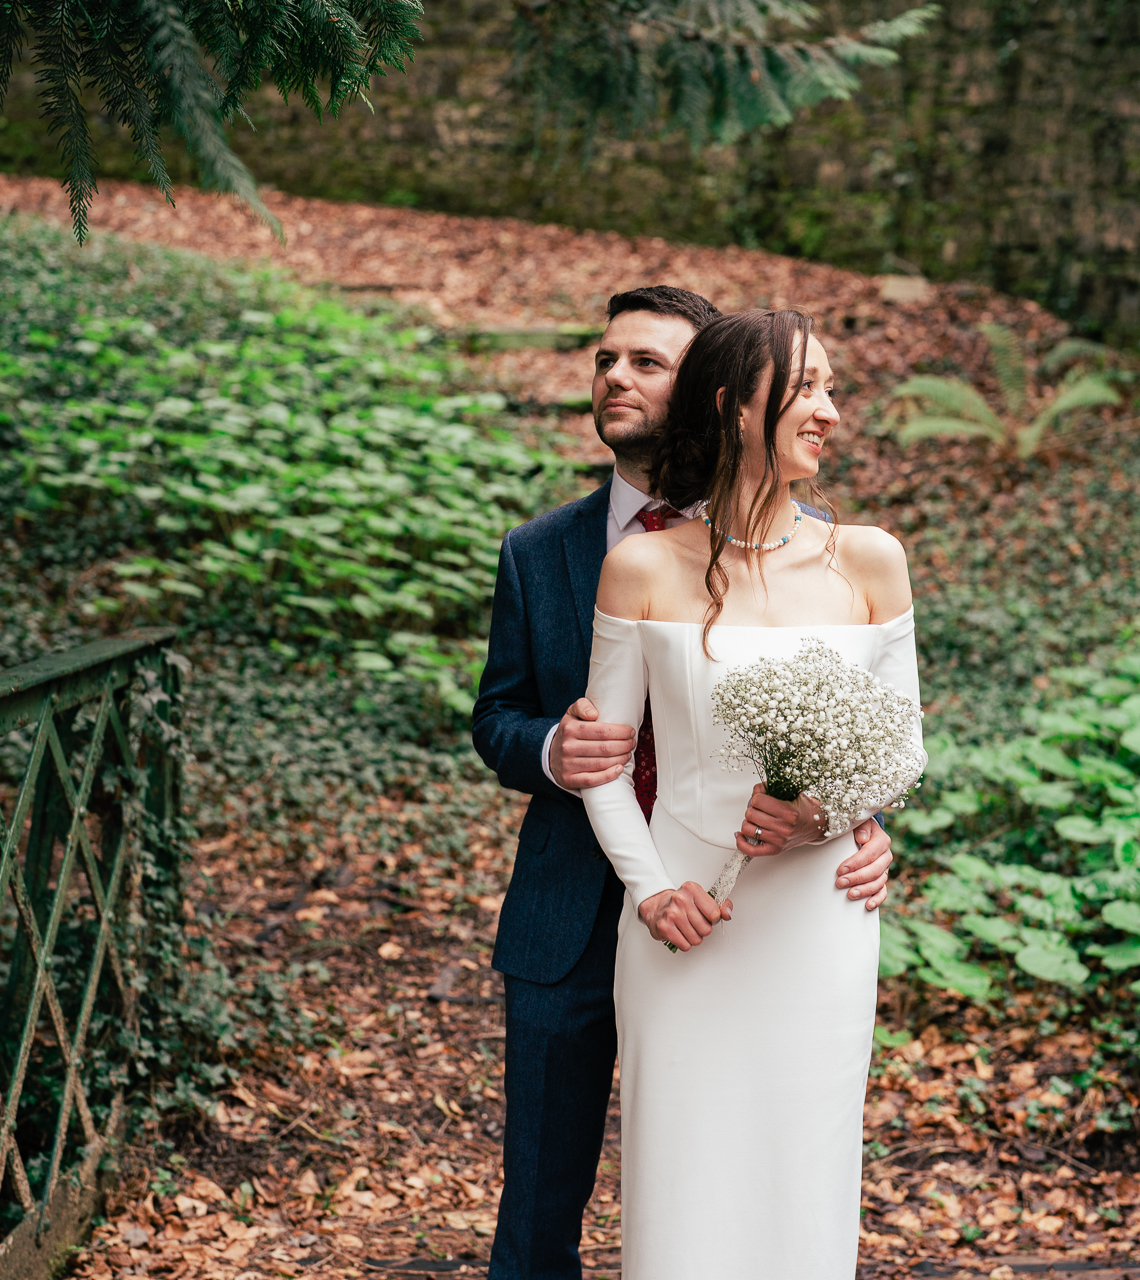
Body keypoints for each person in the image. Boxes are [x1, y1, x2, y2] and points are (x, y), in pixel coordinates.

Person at [472, 286, 896, 1280]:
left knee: (744, 1168)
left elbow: (850, 724)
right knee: (537, 1197)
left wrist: (855, 817)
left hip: (756, 915)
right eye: (605, 359)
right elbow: (496, 714)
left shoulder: (820, 544)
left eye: (647, 363)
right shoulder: (541, 551)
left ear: (716, 390)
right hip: (573, 904)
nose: (617, 377)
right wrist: (547, 748)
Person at [581, 307, 918, 1277]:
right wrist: (650, 888)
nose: (832, 412)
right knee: (683, 1177)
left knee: (802, 1168)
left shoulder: (870, 560)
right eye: (808, 388)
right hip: (683, 921)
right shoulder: (641, 566)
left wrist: (826, 816)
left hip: (819, 922)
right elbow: (604, 762)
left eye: (829, 389)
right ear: (734, 405)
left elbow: (900, 746)